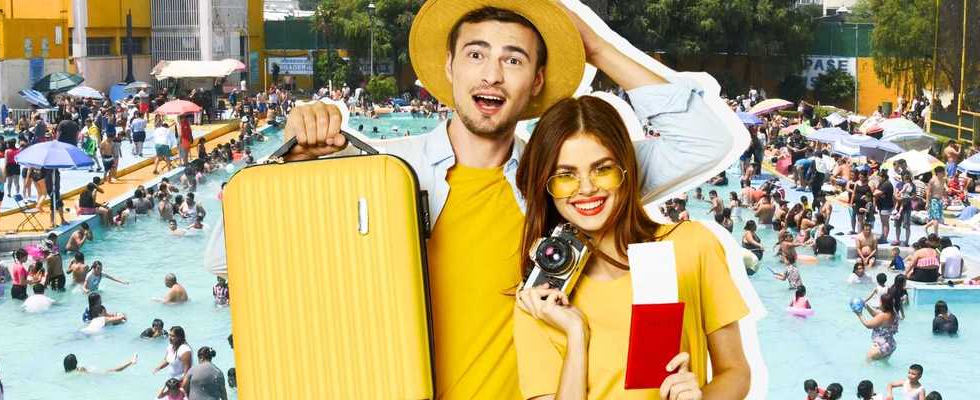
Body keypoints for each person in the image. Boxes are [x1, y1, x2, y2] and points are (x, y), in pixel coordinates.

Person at [258, 3, 740, 397]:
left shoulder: (562, 180)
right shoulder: (382, 174)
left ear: (536, 80)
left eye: (513, 59)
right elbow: (233, 263)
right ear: (448, 67)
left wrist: (595, 47)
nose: (492, 75)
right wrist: (291, 167)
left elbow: (705, 142)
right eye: (475, 55)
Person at [512, 96, 751, 398]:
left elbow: (736, 371)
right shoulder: (538, 302)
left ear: (626, 169)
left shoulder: (691, 245)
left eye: (602, 169)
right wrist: (576, 335)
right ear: (546, 186)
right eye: (565, 175)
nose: (586, 188)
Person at [856, 291, 901, 361]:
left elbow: (868, 325)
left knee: (868, 364)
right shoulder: (893, 313)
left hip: (881, 346)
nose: (879, 303)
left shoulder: (883, 316)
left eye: (880, 302)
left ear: (884, 304)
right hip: (890, 345)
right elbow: (876, 315)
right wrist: (866, 306)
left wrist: (859, 314)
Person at [63, 353, 138, 373]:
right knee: (115, 370)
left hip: (94, 376)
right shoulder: (80, 369)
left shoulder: (67, 372)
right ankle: (131, 362)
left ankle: (130, 361)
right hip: (98, 375)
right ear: (76, 362)